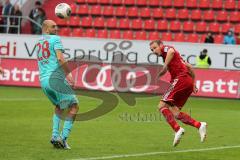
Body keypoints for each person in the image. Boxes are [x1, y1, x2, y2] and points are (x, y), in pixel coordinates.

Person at [149, 40, 207, 147]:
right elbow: (189, 67)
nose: (153, 51)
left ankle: (177, 129)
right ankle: (199, 125)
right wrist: (193, 83)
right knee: (175, 113)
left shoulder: (166, 49)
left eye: (155, 47)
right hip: (187, 81)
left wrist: (165, 66)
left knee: (161, 106)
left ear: (161, 45)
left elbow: (170, 50)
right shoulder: (178, 58)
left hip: (180, 79)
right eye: (151, 49)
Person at [36, 19, 79, 149]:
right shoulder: (55, 39)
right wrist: (69, 75)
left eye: (56, 26)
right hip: (55, 79)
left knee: (59, 106)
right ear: (46, 29)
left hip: (43, 81)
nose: (57, 28)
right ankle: (63, 138)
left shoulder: (39, 42)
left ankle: (55, 136)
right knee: (74, 106)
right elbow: (60, 58)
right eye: (53, 26)